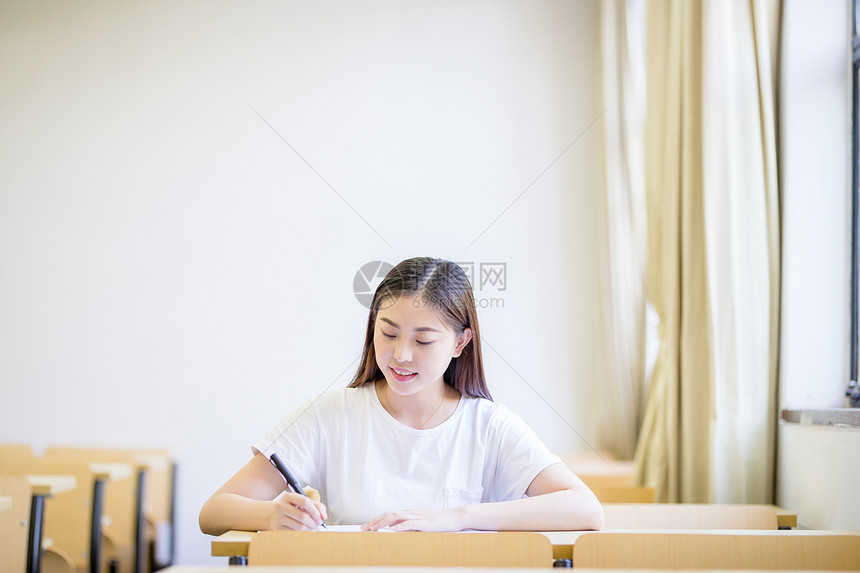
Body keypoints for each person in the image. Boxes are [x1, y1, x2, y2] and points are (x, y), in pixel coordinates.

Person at [199, 257, 603, 535]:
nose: (400, 355)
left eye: (424, 340)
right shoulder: (331, 415)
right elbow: (214, 513)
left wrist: (457, 518)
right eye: (388, 333)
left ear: (461, 343)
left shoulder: (489, 426)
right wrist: (273, 514)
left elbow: (586, 509)